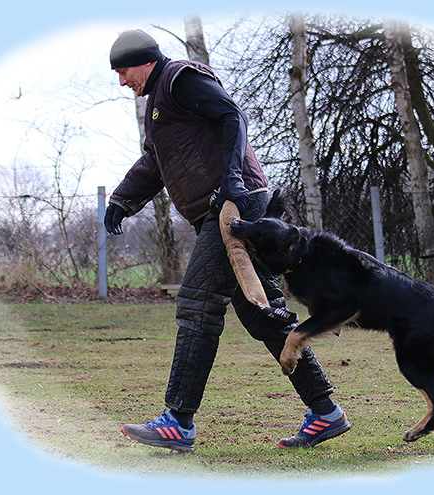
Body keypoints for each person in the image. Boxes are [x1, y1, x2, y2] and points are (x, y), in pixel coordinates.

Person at [104, 29, 350, 452]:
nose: (122, 81)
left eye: (124, 71)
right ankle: (326, 411)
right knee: (262, 312)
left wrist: (232, 179)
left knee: (198, 303)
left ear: (144, 61)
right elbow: (156, 161)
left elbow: (233, 116)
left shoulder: (179, 78)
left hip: (235, 204)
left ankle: (178, 421)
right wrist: (123, 199)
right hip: (222, 207)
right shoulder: (159, 103)